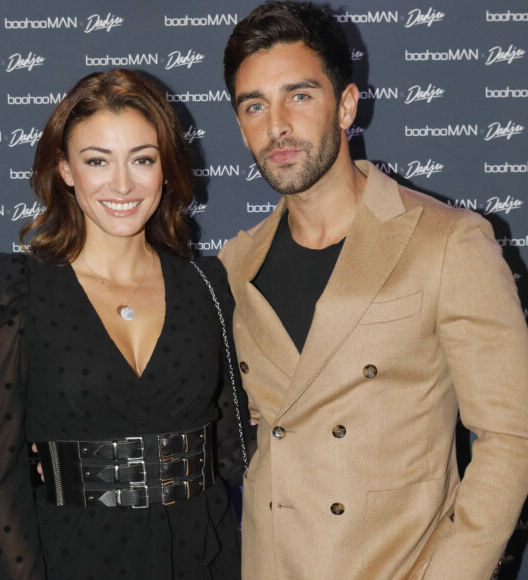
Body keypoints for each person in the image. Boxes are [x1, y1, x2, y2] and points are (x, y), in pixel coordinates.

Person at [218, 2, 528, 579]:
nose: (277, 124)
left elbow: (512, 436)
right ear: (240, 125)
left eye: (300, 95)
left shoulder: (447, 242)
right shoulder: (236, 263)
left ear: (347, 105)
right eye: (254, 105)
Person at [0, 69, 247, 580]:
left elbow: (233, 450)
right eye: (97, 161)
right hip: (76, 555)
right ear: (66, 169)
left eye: (142, 159)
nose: (122, 184)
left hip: (203, 555)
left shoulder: (206, 284)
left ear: (164, 169)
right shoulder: (17, 289)